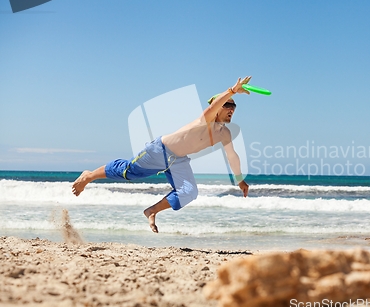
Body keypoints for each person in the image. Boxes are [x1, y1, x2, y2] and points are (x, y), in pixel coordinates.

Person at [72, 76, 251, 233]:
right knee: (128, 171)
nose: (231, 110)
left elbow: (232, 156)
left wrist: (240, 180)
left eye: (233, 108)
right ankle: (89, 176)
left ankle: (152, 211)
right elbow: (215, 105)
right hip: (160, 151)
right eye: (227, 105)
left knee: (189, 192)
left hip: (178, 160)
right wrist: (233, 91)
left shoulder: (224, 133)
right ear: (218, 107)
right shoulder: (204, 120)